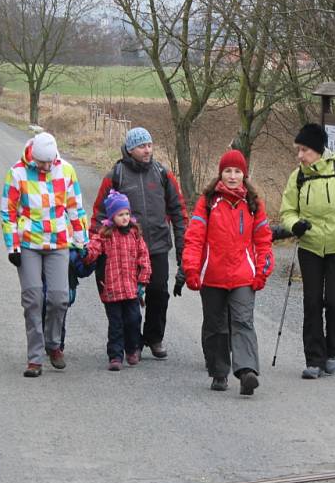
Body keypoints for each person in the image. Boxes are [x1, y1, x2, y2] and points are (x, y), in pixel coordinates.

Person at [279, 123, 335, 379]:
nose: (300, 155)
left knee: (333, 301)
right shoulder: (297, 176)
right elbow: (287, 210)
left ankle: (332, 350)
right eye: (299, 150)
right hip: (309, 246)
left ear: (318, 150)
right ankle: (314, 359)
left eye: (304, 150)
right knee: (311, 302)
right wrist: (294, 224)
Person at [90, 127, 188, 360]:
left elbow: (178, 210)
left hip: (157, 245)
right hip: (123, 248)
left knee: (158, 292)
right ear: (130, 149)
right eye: (142, 146)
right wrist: (95, 247)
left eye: (149, 145)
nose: (147, 150)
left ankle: (154, 337)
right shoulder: (116, 175)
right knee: (126, 295)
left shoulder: (163, 173)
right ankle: (129, 341)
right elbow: (99, 213)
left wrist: (183, 247)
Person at [181, 150, 273, 394]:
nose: (232, 176)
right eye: (228, 171)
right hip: (212, 275)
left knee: (243, 321)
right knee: (216, 325)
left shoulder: (253, 203)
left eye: (237, 171)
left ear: (245, 174)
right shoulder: (208, 201)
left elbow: (264, 240)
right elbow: (195, 237)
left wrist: (262, 271)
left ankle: (247, 372)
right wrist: (191, 269)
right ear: (220, 173)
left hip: (243, 275)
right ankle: (219, 372)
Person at [1, 132, 89, 378]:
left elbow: (75, 208)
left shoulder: (67, 170)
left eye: (50, 162)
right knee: (33, 299)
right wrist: (13, 246)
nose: (46, 167)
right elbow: (7, 212)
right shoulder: (17, 172)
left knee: (60, 298)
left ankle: (53, 344)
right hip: (28, 243)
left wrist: (82, 240)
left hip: (59, 241)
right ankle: (35, 358)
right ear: (33, 157)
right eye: (42, 163)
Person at [85, 190, 152, 371]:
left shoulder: (135, 234)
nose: (125, 218)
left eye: (127, 214)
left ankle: (132, 349)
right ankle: (115, 355)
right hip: (112, 289)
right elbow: (93, 249)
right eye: (120, 214)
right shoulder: (105, 235)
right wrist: (85, 252)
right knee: (116, 324)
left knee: (133, 319)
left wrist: (142, 280)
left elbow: (143, 257)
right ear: (112, 216)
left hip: (131, 289)